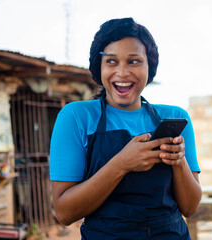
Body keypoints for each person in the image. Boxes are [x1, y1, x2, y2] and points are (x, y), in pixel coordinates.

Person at [49, 17, 202, 239]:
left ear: (150, 66)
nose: (122, 73)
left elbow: (190, 207)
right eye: (111, 61)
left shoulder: (176, 118)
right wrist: (121, 164)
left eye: (134, 61)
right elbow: (64, 212)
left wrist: (179, 162)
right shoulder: (76, 117)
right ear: (98, 66)